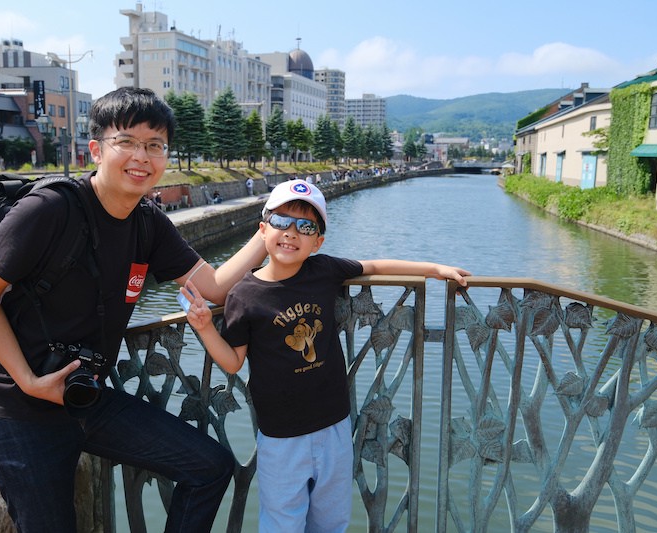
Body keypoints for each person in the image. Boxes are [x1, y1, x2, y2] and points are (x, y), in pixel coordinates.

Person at [0, 87, 267, 533]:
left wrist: (268, 230)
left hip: (86, 397)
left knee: (209, 467)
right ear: (96, 149)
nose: (142, 156)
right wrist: (29, 381)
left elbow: (215, 289)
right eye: (126, 141)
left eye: (155, 145)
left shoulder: (149, 222)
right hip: (20, 407)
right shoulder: (48, 209)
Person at [181, 180, 471, 532]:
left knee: (331, 521)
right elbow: (233, 361)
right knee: (281, 522)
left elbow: (375, 267)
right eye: (281, 221)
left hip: (334, 425)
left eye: (305, 226)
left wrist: (434, 269)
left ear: (317, 241)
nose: (291, 233)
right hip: (280, 436)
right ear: (263, 229)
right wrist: (205, 328)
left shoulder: (323, 270)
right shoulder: (244, 294)